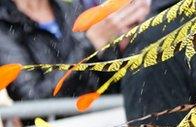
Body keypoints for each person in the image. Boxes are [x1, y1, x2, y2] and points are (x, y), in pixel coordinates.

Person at [0, 0, 148, 101]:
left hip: (103, 122)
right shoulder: (4, 27)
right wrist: (89, 45)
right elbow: (32, 98)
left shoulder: (70, 8)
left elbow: (106, 78)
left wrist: (122, 42)